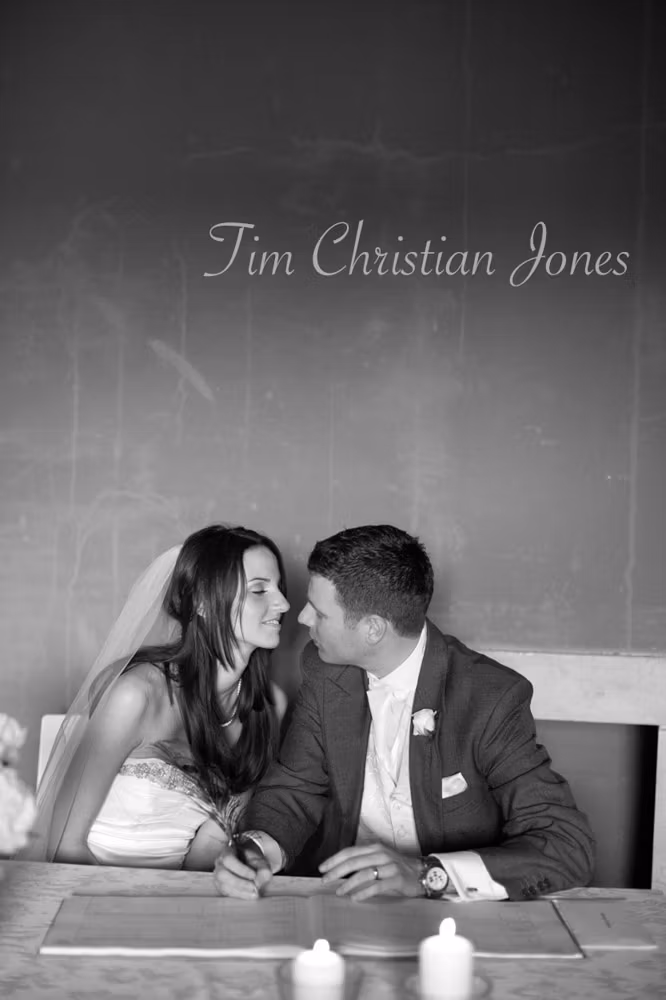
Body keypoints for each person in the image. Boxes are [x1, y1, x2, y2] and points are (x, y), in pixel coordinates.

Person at [214, 524, 595, 902]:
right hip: (345, 906)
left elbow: (565, 846)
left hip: (458, 919)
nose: (302, 619)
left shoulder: (489, 697)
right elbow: (294, 789)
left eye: (320, 613)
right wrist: (255, 851)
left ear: (373, 630)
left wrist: (427, 875)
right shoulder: (324, 668)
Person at [25, 524, 290, 870]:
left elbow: (211, 843)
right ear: (203, 604)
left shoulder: (270, 706)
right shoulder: (136, 696)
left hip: (177, 897)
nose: (283, 603)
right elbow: (65, 845)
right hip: (86, 887)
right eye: (259, 590)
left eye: (279, 588)